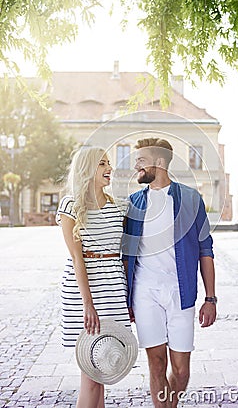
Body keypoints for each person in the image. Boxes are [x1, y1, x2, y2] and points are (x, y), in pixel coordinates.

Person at [122, 138, 217, 408]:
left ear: (159, 162)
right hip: (145, 293)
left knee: (181, 369)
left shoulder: (190, 199)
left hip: (181, 293)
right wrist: (127, 299)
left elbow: (205, 250)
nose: (135, 166)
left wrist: (211, 299)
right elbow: (127, 255)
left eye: (141, 161)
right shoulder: (134, 203)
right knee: (156, 363)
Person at [56, 146, 130, 408]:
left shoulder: (119, 207)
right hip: (83, 290)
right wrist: (88, 304)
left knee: (102, 368)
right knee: (91, 371)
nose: (109, 168)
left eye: (109, 163)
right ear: (87, 169)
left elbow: (126, 256)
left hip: (113, 287)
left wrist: (129, 300)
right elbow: (78, 258)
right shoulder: (70, 205)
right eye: (102, 164)